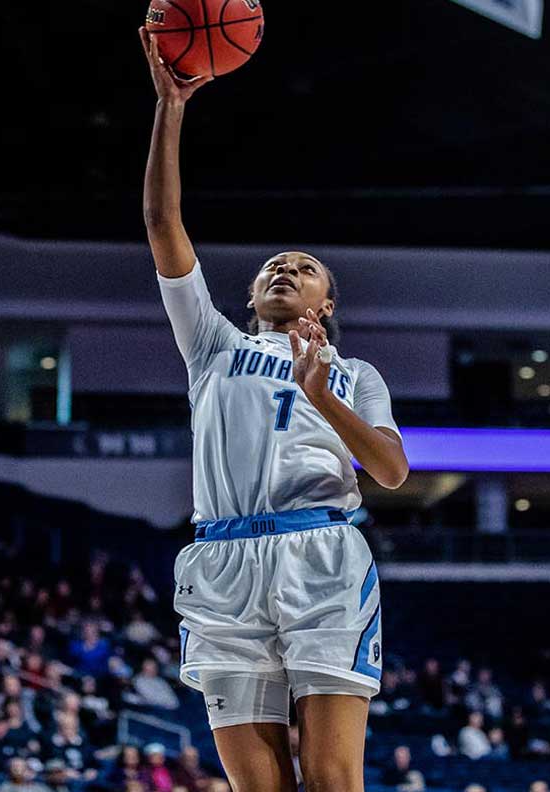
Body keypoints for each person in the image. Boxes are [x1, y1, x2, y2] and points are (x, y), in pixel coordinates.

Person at [139, 28, 408, 792]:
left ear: (328, 301)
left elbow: (390, 470)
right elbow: (164, 225)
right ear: (253, 296)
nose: (285, 268)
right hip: (223, 561)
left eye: (305, 267)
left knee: (330, 780)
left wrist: (323, 395)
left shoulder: (354, 373)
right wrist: (171, 108)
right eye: (272, 267)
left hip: (320, 555)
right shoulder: (213, 345)